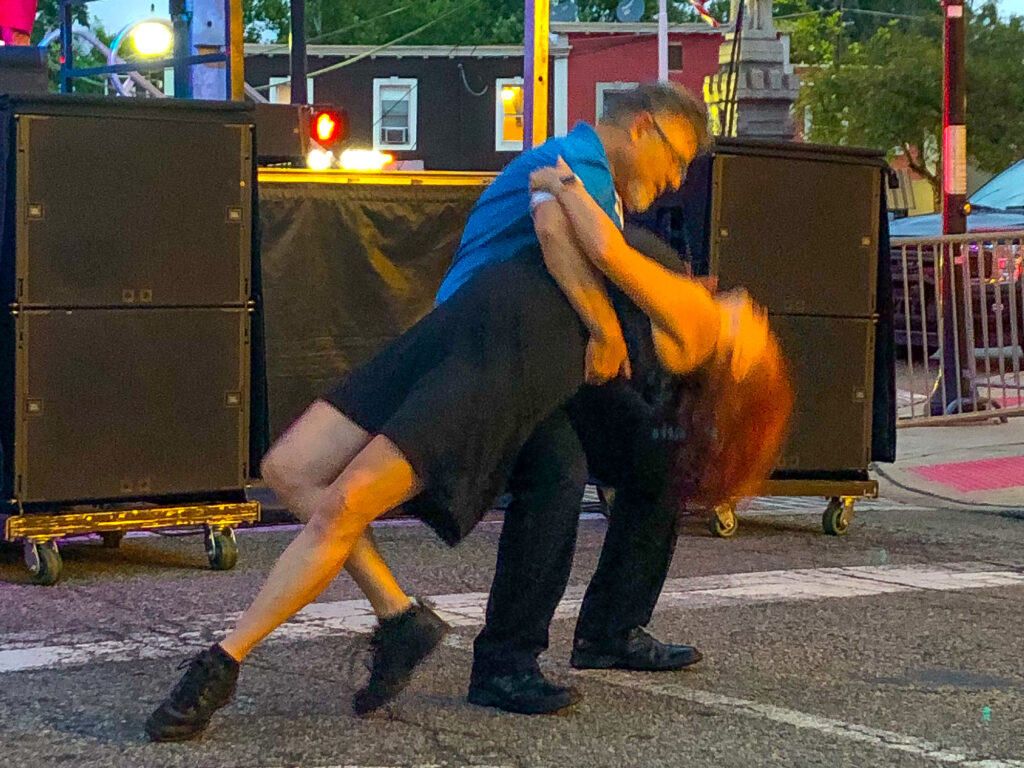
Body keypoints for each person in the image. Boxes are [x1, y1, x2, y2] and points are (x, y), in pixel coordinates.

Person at [145, 84, 789, 742]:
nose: (677, 178)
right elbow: (569, 234)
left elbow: (597, 246)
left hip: (494, 352)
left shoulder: (686, 304)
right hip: (469, 341)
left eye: (761, 324)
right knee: (298, 472)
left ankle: (232, 663)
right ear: (643, 127)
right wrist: (597, 302)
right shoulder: (586, 164)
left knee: (359, 501)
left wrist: (595, 301)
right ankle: (410, 622)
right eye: (677, 156)